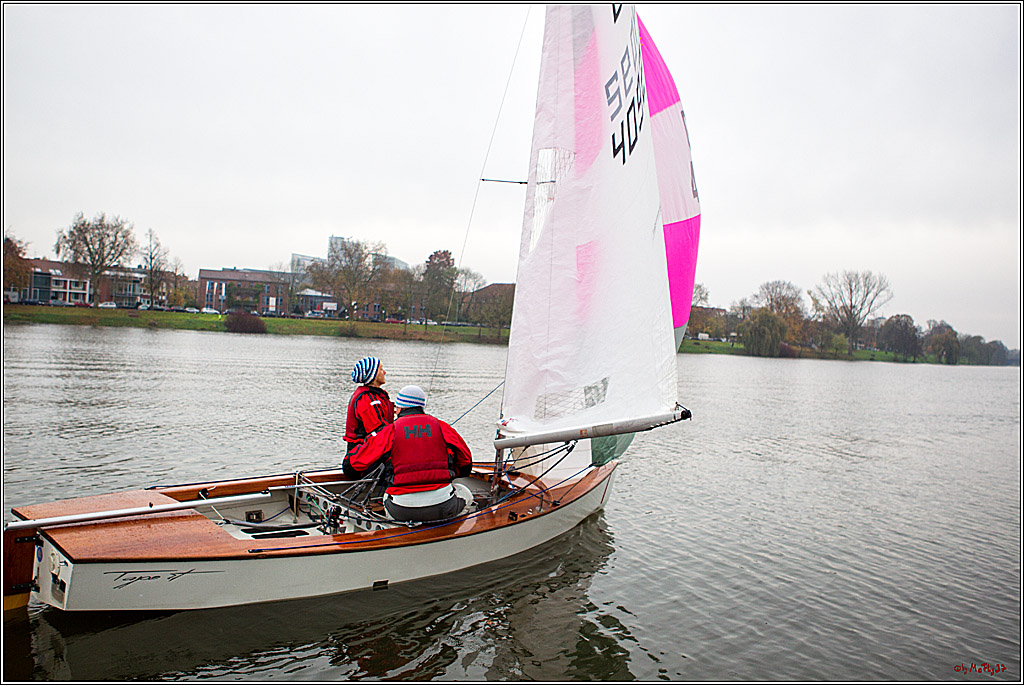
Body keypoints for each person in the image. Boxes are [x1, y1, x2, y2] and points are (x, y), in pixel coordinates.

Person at [343, 385, 474, 522]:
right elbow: (466, 462)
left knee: (387, 496)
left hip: (401, 509)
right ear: (421, 407)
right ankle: (451, 530)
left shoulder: (389, 431)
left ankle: (399, 531)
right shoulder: (442, 427)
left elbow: (351, 465)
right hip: (442, 505)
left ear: (400, 408)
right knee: (464, 491)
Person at [344, 356, 395, 456]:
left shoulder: (376, 396)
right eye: (381, 369)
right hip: (362, 453)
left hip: (371, 450)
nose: (384, 372)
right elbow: (380, 432)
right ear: (374, 375)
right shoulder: (367, 400)